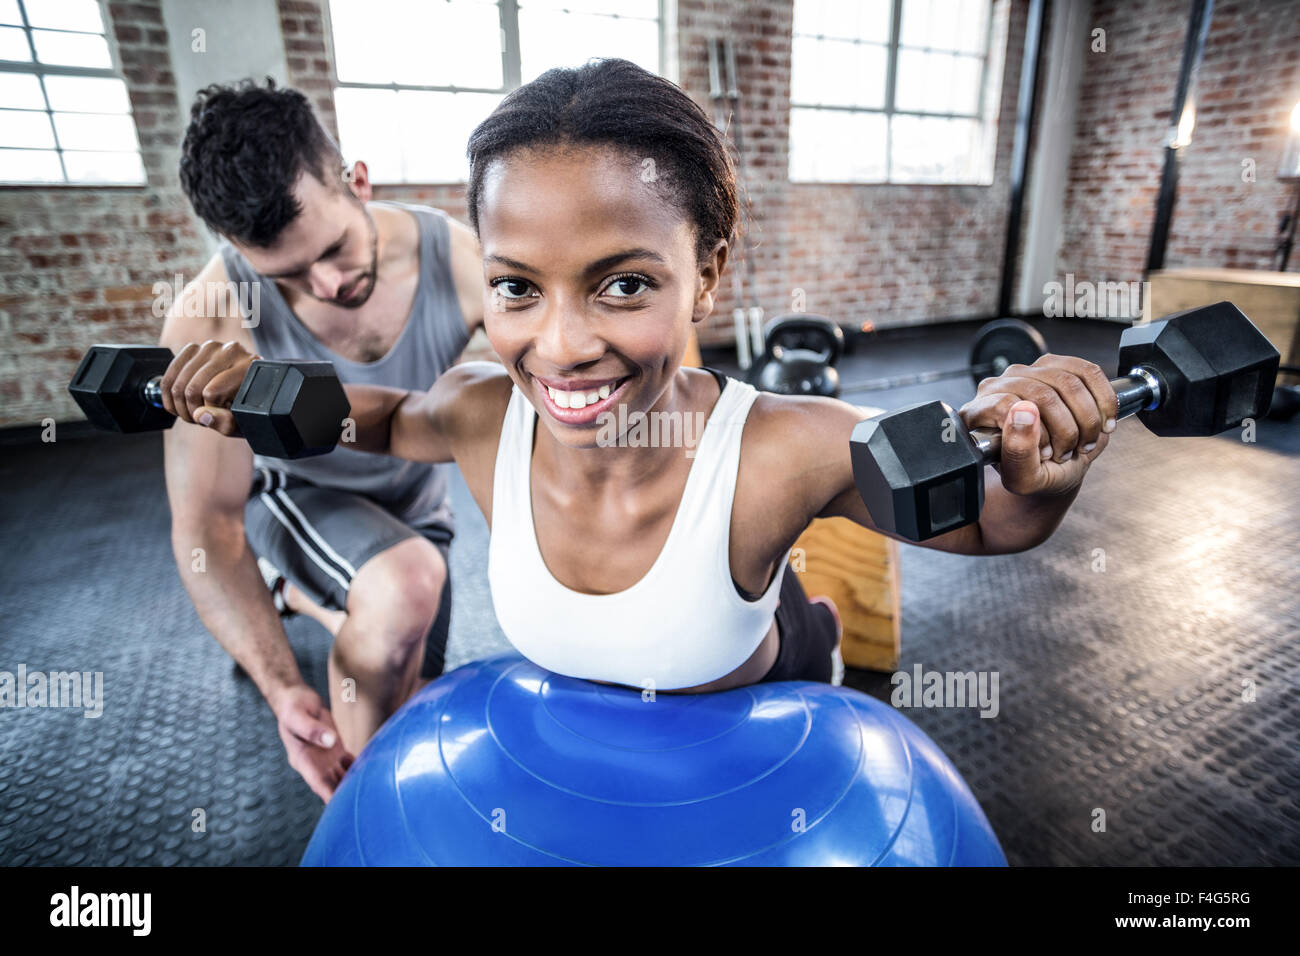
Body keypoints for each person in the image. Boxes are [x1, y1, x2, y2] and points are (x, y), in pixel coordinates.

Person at [163, 59, 1117, 703]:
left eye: (623, 283)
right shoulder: (477, 413)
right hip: (600, 758)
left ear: (706, 273)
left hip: (765, 715)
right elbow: (374, 420)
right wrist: (254, 390)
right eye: (516, 289)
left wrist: (1048, 468)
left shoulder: (789, 448)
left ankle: (809, 623)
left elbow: (993, 518)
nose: (562, 344)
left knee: (798, 633)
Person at [160, 79, 485, 801]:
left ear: (357, 181)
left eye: (333, 247)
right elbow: (207, 525)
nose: (329, 283)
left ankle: (307, 599)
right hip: (296, 491)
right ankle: (361, 823)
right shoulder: (213, 315)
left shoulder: (459, 260)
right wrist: (282, 690)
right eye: (289, 278)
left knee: (415, 689)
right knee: (403, 591)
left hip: (416, 509)